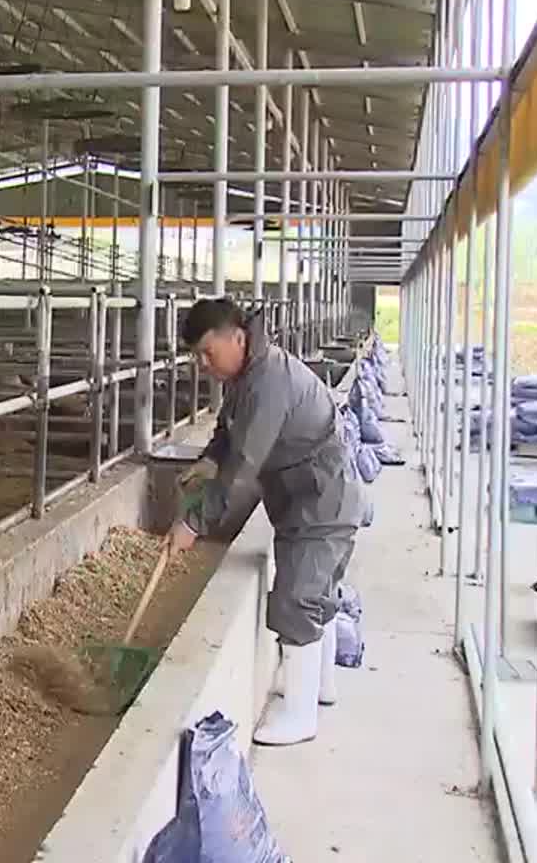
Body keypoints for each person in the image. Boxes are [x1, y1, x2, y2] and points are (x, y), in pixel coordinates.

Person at [168, 297, 368, 746]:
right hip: (307, 496)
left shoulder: (269, 381)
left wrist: (194, 523)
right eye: (196, 355)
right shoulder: (248, 374)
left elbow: (244, 466)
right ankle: (318, 685)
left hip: (321, 498)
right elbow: (228, 431)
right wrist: (208, 459)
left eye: (207, 351)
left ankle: (300, 715)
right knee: (319, 594)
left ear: (236, 338)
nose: (203, 364)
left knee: (298, 598)